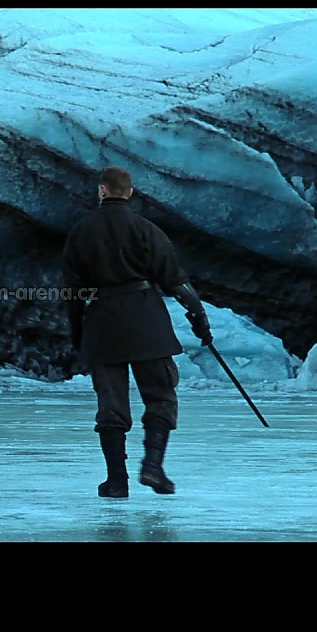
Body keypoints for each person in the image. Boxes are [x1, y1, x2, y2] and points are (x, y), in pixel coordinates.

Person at [61, 166, 212, 498]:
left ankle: (117, 481)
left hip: (102, 324)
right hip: (148, 322)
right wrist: (200, 319)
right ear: (129, 193)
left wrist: (78, 333)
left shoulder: (82, 231)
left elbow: (72, 292)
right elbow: (176, 282)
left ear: (102, 190)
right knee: (160, 397)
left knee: (111, 407)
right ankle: (153, 467)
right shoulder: (146, 229)